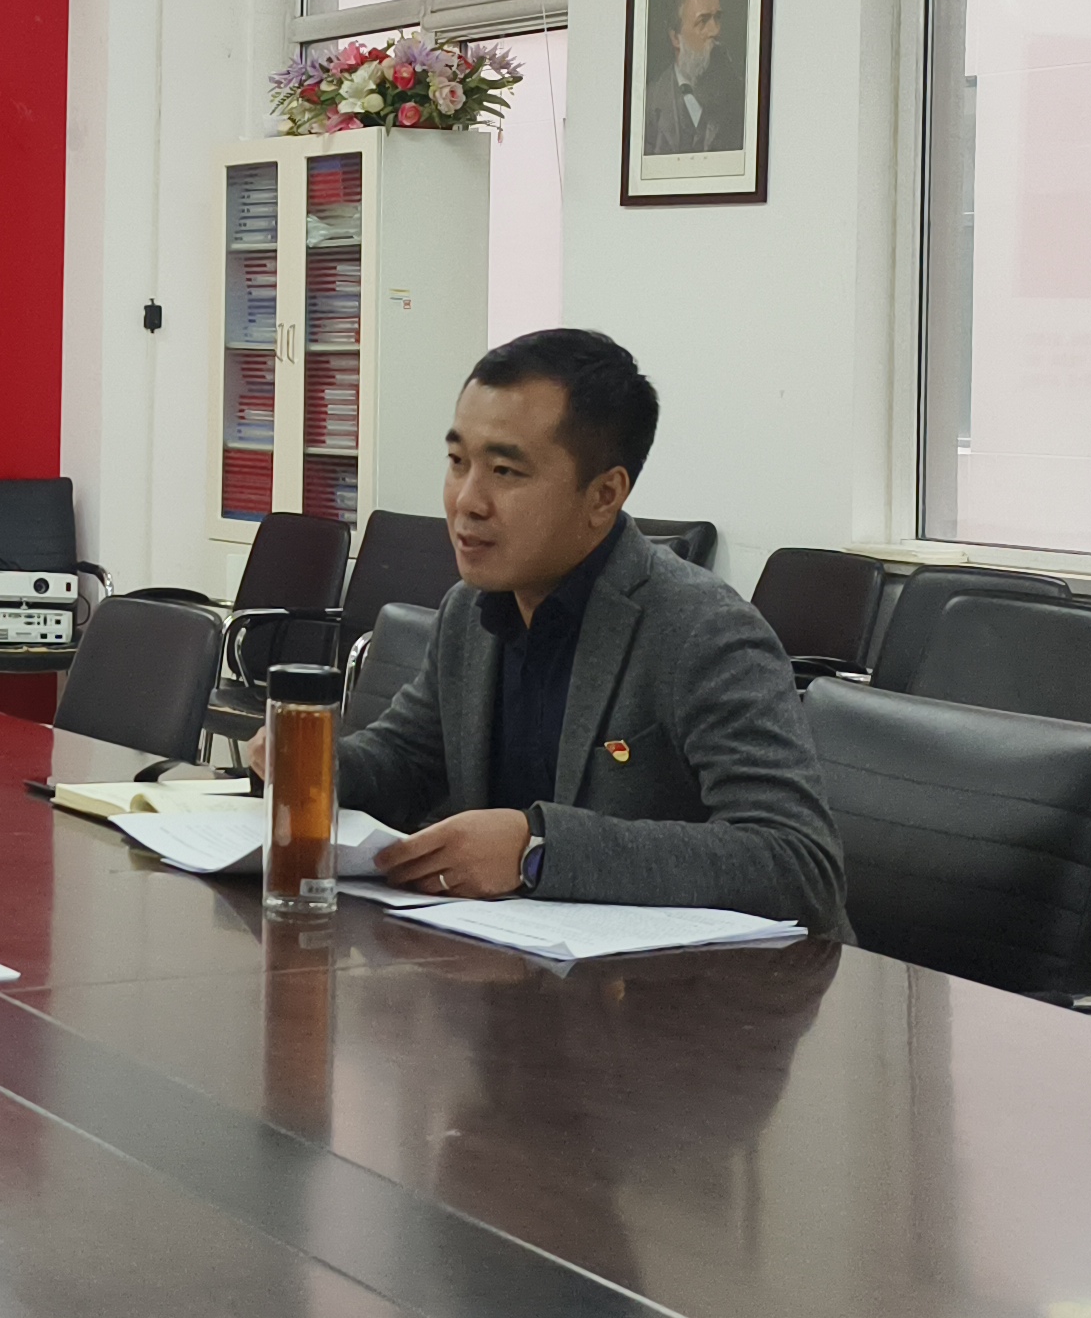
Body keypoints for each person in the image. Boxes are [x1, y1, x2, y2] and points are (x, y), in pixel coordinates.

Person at [341, 328, 845, 933]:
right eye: (457, 462)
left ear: (604, 495)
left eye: (504, 470)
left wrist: (537, 850)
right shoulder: (470, 611)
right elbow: (406, 760)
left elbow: (797, 863)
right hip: (513, 961)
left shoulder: (705, 631)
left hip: (693, 983)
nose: (467, 501)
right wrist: (313, 766)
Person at [639, 0, 743, 156]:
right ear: (675, 38)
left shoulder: (740, 95)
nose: (716, 30)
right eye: (703, 21)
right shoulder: (648, 105)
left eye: (717, 18)